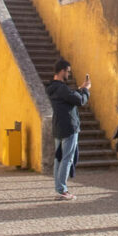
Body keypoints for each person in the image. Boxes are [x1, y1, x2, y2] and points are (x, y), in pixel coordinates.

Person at [46, 58, 90, 201]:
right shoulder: (61, 88)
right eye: (68, 72)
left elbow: (69, 97)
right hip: (69, 127)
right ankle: (62, 189)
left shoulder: (53, 88)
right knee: (67, 158)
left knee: (59, 158)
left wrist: (80, 89)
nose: (69, 75)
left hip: (58, 126)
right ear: (62, 71)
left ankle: (59, 187)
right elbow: (79, 101)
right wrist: (86, 90)